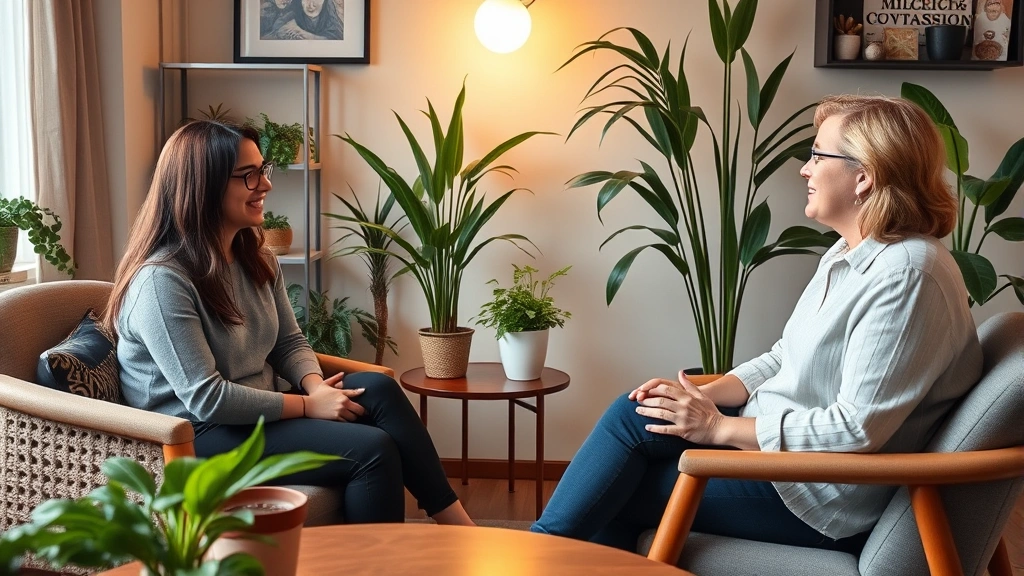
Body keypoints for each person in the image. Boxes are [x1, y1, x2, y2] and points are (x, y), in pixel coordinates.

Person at [531, 95, 983, 553]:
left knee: (620, 493)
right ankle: (538, 553)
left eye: (818, 155)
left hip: (817, 492)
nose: (805, 170)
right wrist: (700, 400)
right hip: (779, 451)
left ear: (864, 176)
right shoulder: (850, 252)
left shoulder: (906, 274)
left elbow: (856, 429)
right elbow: (784, 356)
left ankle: (531, 557)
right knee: (638, 414)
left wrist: (719, 430)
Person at [105, 120, 474, 526]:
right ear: (203, 186)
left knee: (381, 389)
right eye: (248, 175)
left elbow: (289, 343)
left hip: (252, 418)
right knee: (372, 450)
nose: (265, 185)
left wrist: (316, 386)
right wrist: (306, 406)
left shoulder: (256, 258)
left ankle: (461, 530)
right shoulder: (162, 281)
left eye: (263, 170)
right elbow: (207, 398)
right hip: (195, 436)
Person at [274, 0, 343, 41]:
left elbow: (337, 41)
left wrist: (302, 32)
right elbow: (277, 27)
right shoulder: (293, 15)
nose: (311, 5)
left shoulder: (331, 20)